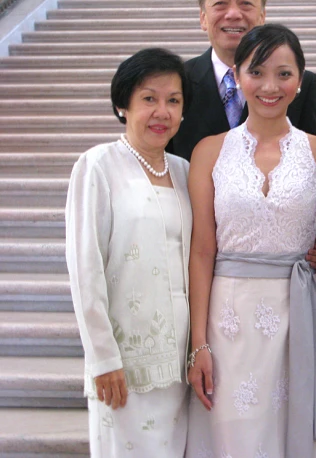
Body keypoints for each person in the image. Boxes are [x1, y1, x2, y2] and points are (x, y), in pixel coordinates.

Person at [185, 24, 316, 458]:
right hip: (227, 321)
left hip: (300, 315)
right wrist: (197, 342)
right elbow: (202, 251)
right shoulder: (209, 150)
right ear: (237, 76)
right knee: (233, 435)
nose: (270, 86)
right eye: (257, 72)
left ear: (300, 80)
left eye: (284, 73)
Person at [65, 48, 193, 457]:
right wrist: (102, 358)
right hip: (124, 364)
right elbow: (85, 267)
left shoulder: (185, 171)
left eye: (173, 100)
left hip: (180, 363)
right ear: (123, 105)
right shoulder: (98, 166)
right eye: (148, 99)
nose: (162, 111)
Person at [168, 0, 316, 161]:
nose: (233, 14)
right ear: (203, 17)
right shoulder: (177, 82)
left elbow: (313, 165)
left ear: (262, 16)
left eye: (246, 4)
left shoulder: (299, 85)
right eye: (220, 3)